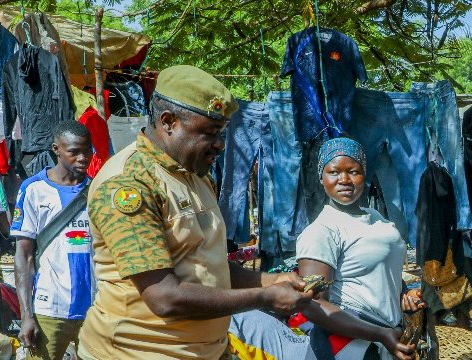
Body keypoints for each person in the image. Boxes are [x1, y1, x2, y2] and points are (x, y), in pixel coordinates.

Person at [78, 65, 313, 359]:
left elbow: (208, 267)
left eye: (223, 132)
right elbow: (165, 298)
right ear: (168, 122)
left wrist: (270, 280)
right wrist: (264, 297)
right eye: (211, 133)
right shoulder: (129, 184)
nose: (220, 145)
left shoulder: (196, 175)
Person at [228, 137, 421, 360]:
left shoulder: (375, 218)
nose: (345, 179)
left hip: (386, 337)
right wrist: (378, 333)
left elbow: (380, 271)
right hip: (351, 347)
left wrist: (403, 292)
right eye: (334, 172)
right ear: (321, 177)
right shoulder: (322, 231)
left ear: (364, 174)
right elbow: (313, 305)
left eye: (353, 171)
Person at [11, 121, 93, 360]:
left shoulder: (99, 188)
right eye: (74, 151)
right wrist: (27, 315)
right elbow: (24, 256)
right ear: (56, 149)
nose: (83, 158)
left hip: (95, 309)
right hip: (50, 309)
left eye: (87, 150)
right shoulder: (34, 190)